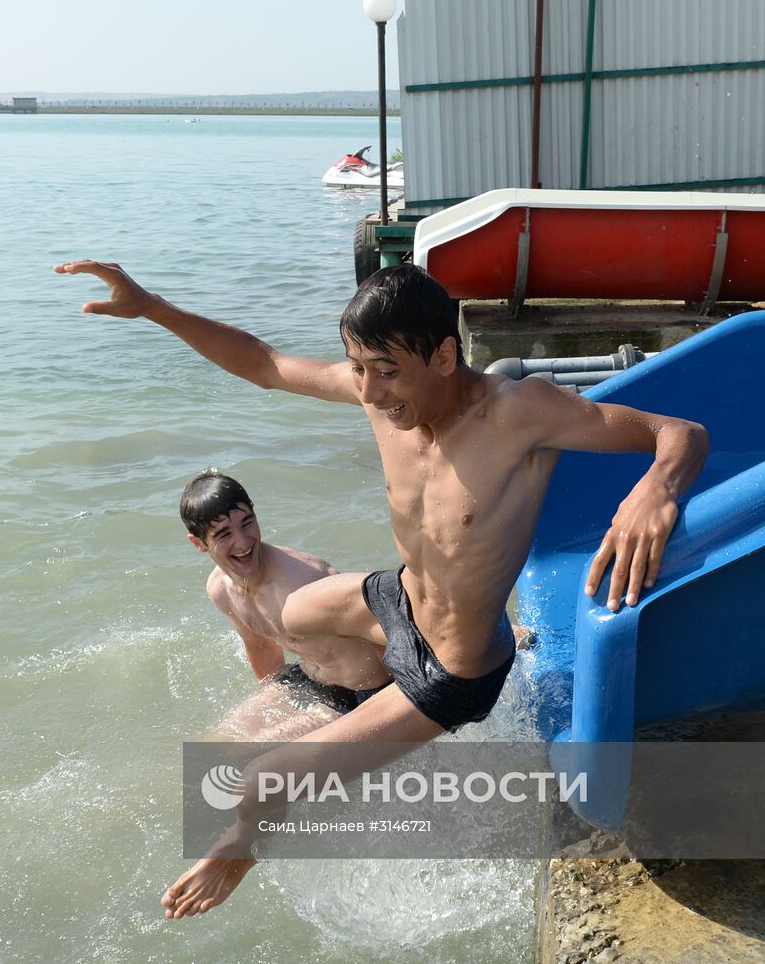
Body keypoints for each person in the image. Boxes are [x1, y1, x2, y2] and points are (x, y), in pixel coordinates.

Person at [54, 259, 709, 919]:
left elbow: (679, 433)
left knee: (254, 786)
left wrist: (654, 490)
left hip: (452, 668)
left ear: (446, 354)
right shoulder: (385, 403)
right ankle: (354, 705)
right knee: (293, 609)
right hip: (396, 600)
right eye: (358, 367)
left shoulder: (519, 413)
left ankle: (245, 848)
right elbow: (262, 361)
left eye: (386, 370)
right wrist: (155, 307)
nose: (368, 390)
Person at [179, 469, 392, 741]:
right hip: (307, 678)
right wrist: (274, 705)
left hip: (362, 694)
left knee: (255, 753)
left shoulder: (304, 582)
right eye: (223, 534)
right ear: (198, 543)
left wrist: (399, 712)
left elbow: (386, 629)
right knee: (214, 744)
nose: (243, 542)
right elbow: (260, 646)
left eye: (247, 523)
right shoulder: (220, 589)